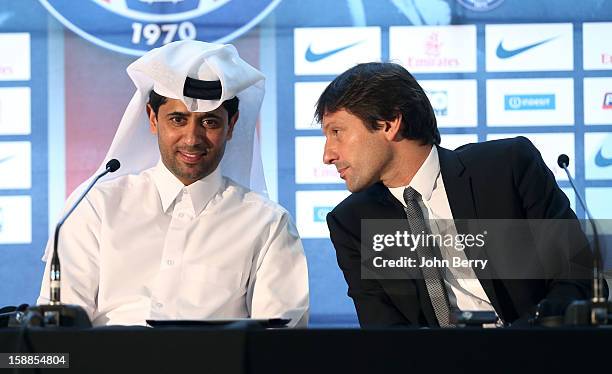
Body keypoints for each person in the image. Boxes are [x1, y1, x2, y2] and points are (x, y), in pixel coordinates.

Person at [37, 41, 309, 327]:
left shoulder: (267, 223)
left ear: (232, 125)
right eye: (178, 120)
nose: (192, 138)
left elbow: (281, 341)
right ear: (153, 119)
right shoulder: (96, 207)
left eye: (210, 122)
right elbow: (56, 334)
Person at [316, 62, 600, 327]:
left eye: (337, 131)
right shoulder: (351, 222)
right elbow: (385, 335)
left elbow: (575, 277)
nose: (328, 155)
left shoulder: (507, 167)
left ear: (389, 124)